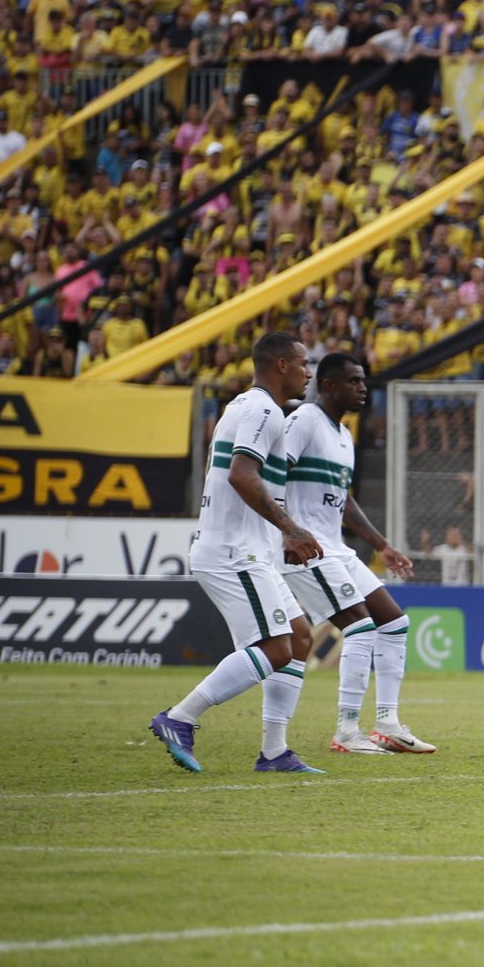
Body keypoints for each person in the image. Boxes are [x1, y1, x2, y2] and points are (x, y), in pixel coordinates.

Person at [147, 332, 323, 775]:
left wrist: (280, 531)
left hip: (247, 548)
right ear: (281, 365)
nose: (308, 372)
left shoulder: (247, 406)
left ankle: (274, 752)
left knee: (299, 637)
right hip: (232, 551)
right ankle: (180, 717)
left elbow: (251, 477)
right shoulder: (264, 408)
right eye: (304, 363)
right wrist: (291, 527)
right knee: (276, 647)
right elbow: (242, 476)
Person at [278, 353, 433, 757]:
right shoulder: (304, 420)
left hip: (336, 547)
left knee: (394, 623)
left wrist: (382, 545)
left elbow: (342, 501)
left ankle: (387, 724)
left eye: (363, 381)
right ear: (329, 385)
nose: (363, 388)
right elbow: (272, 474)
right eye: (354, 381)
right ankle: (347, 731)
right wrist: (286, 532)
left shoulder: (344, 437)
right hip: (305, 546)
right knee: (361, 628)